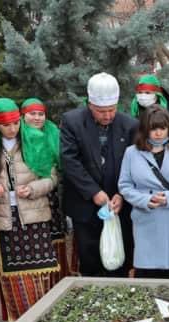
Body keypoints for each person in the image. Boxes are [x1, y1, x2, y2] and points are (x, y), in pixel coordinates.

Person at [0, 98, 59, 322]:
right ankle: (20, 320)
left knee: (40, 271)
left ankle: (42, 318)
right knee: (12, 273)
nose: (13, 129)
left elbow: (52, 177)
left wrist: (33, 188)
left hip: (34, 214)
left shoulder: (35, 140)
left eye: (16, 123)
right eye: (7, 125)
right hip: (5, 217)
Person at [60, 73, 139, 277]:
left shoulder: (129, 125)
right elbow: (70, 160)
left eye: (112, 110)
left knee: (119, 261)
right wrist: (93, 192)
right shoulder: (72, 121)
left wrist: (122, 194)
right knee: (90, 261)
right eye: (101, 111)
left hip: (118, 204)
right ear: (90, 105)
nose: (108, 116)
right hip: (85, 205)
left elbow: (134, 165)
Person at [118, 106, 169, 278]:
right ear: (145, 129)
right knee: (147, 275)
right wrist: (145, 200)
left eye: (162, 128)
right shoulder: (131, 153)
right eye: (153, 129)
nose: (158, 133)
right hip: (146, 220)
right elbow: (124, 185)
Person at [21, 97, 75, 283]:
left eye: (41, 114)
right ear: (23, 116)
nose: (37, 118)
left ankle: (58, 286)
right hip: (28, 201)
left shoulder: (53, 133)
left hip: (52, 198)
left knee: (56, 244)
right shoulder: (18, 136)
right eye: (32, 114)